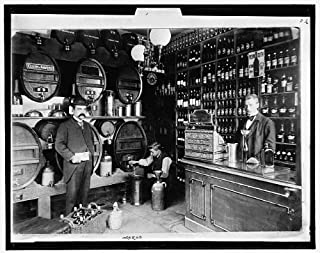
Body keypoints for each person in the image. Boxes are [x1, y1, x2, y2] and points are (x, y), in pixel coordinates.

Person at [55, 96, 95, 215]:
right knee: (72, 197)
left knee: (84, 195)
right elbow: (59, 144)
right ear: (72, 110)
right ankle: (70, 222)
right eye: (79, 109)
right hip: (73, 166)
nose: (82, 112)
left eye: (84, 109)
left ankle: (81, 219)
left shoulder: (87, 126)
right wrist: (72, 157)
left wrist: (91, 155)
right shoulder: (65, 126)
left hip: (87, 165)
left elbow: (91, 142)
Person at [237, 94, 276, 162]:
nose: (248, 108)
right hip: (242, 161)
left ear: (257, 105)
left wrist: (257, 159)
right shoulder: (242, 121)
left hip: (258, 163)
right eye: (246, 106)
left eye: (251, 105)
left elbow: (270, 148)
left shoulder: (267, 122)